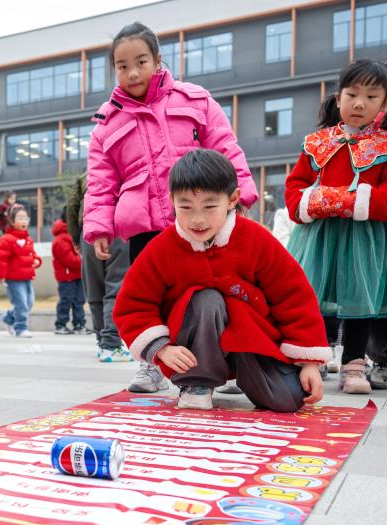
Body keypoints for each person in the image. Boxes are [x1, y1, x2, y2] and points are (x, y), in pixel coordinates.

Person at [84, 21, 257, 393]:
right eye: (122, 65)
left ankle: (234, 365)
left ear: (158, 60)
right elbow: (100, 181)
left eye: (141, 62)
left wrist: (239, 193)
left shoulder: (194, 100)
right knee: (151, 297)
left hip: (200, 218)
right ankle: (152, 366)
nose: (132, 73)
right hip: (144, 227)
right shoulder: (106, 122)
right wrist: (99, 227)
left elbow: (225, 147)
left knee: (219, 290)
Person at [114, 149, 329, 411]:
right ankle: (198, 382)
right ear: (172, 201)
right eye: (185, 207)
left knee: (290, 399)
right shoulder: (162, 249)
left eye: (209, 206)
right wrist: (162, 349)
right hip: (194, 346)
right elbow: (132, 304)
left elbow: (293, 296)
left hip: (250, 339)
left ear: (232, 199)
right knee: (207, 299)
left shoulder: (256, 240)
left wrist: (308, 362)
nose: (198, 219)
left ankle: (242, 374)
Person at [286, 60, 387, 395]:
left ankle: (354, 364)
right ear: (339, 98)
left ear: (385, 103)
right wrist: (314, 202)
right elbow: (295, 187)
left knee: (359, 303)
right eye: (352, 94)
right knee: (313, 299)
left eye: (371, 96)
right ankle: (314, 359)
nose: (359, 103)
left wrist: (355, 202)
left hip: (366, 238)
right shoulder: (316, 143)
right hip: (320, 237)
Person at [66, 172, 131, 362]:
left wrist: (76, 238)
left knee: (94, 289)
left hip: (89, 231)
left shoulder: (85, 176)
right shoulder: (124, 169)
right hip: (118, 229)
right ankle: (111, 344)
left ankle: (102, 341)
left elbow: (72, 206)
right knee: (115, 288)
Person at [0, 204, 41, 338]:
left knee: (29, 303)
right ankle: (21, 328)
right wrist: (0, 276)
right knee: (21, 304)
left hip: (27, 277)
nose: (24, 221)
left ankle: (8, 318)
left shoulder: (28, 239)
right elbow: (1, 259)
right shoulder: (7, 239)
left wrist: (37, 260)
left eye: (25, 218)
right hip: (13, 278)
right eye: (20, 218)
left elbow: (33, 254)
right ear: (12, 221)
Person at [51, 217, 86, 334]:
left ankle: (79, 324)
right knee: (66, 300)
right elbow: (70, 260)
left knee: (79, 300)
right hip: (66, 277)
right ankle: (60, 325)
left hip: (77, 275)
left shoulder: (74, 235)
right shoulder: (61, 239)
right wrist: (85, 260)